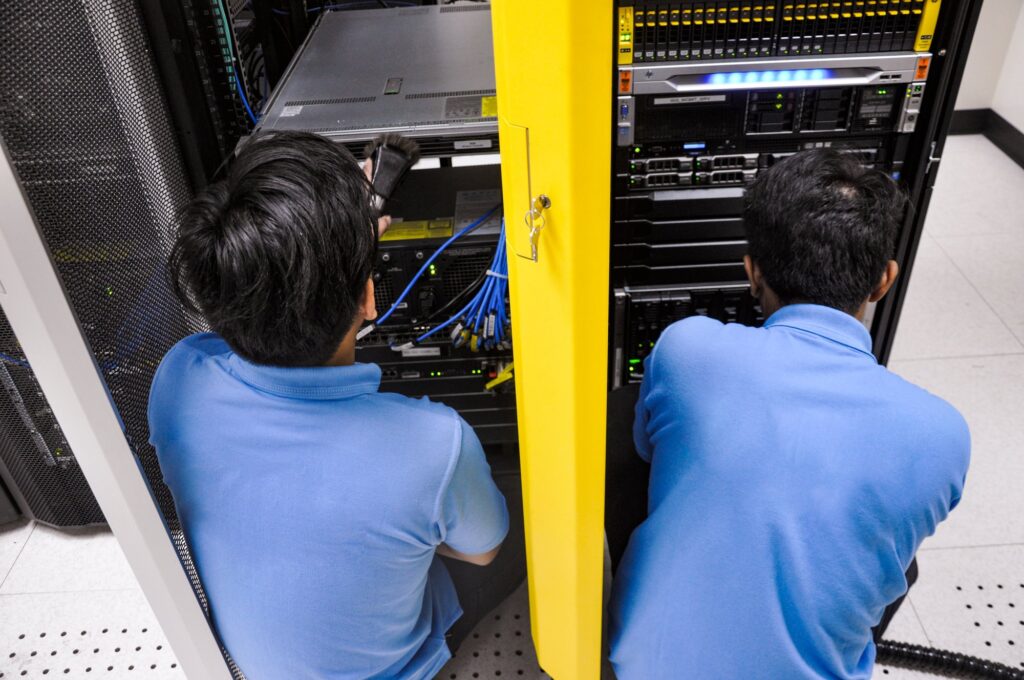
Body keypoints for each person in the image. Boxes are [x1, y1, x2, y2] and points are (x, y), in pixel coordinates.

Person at [148, 131, 524, 679]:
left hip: (256, 664)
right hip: (389, 671)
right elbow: (483, 551)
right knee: (523, 509)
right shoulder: (435, 445)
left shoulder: (178, 378)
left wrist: (324, 245)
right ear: (371, 297)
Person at [607, 149, 971, 680]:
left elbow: (644, 449)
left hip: (640, 667)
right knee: (899, 555)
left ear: (752, 272)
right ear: (884, 281)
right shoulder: (944, 434)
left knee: (637, 430)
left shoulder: (687, 347)